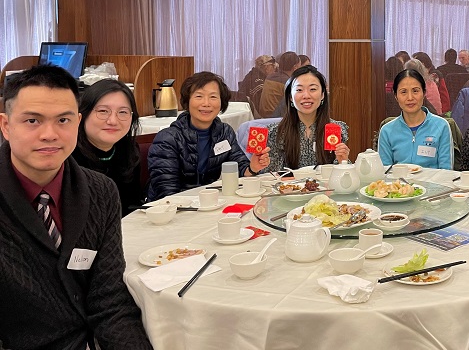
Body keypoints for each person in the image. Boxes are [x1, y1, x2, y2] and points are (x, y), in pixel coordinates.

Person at [0, 65, 153, 349]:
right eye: (32, 120)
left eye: (63, 120)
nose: (50, 134)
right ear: (6, 126)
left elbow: (110, 304)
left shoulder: (100, 191)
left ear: (77, 121)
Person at [148, 72, 269, 200]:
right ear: (187, 101)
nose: (206, 103)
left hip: (207, 202)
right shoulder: (168, 139)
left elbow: (239, 166)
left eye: (213, 97)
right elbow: (166, 192)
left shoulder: (224, 132)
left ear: (222, 102)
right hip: (171, 209)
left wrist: (253, 167)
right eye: (199, 96)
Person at [72, 79, 143, 214]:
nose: (112, 121)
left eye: (122, 112)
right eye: (103, 111)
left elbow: (132, 207)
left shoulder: (129, 152)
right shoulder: (67, 157)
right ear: (83, 115)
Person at [265, 65, 351, 171]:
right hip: (290, 187)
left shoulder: (337, 129)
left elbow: (342, 176)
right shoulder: (276, 132)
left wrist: (343, 161)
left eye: (313, 89)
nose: (306, 95)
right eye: (299, 90)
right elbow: (271, 175)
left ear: (323, 94)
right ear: (291, 97)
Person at [378, 69, 453, 169]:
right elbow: (384, 172)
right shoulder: (387, 131)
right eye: (403, 92)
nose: (410, 97)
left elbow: (446, 171)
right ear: (396, 96)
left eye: (415, 91)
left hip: (433, 184)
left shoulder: (441, 126)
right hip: (398, 184)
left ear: (424, 93)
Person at [260, 51, 301, 117]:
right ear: (295, 67)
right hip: (277, 119)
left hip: (263, 117)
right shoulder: (288, 82)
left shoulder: (270, 77)